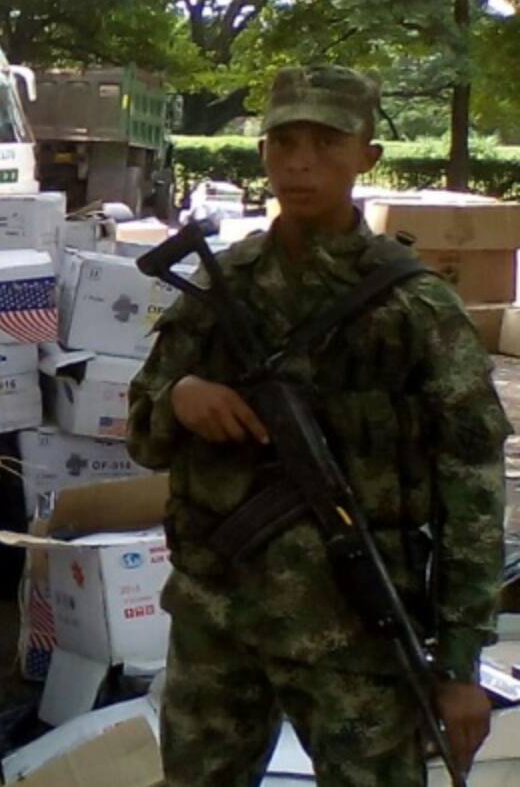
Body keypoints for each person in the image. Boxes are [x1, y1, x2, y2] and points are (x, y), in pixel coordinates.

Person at [127, 64, 510, 785]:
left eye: (327, 142)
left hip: (356, 632)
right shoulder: (219, 286)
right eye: (284, 142)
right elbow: (143, 434)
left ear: (368, 155)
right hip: (220, 620)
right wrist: (181, 397)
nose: (300, 163)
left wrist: (459, 663)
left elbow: (474, 496)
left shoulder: (416, 311)